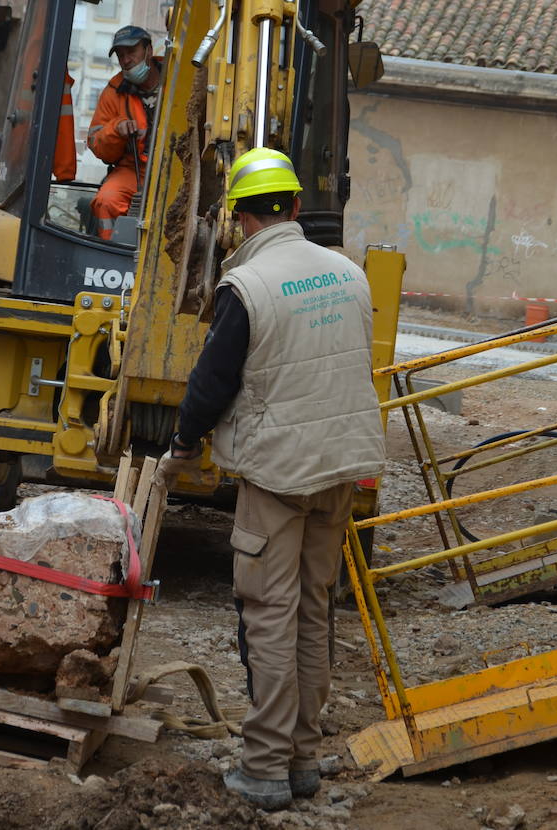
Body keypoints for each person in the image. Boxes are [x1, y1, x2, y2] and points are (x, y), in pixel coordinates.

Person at [160, 147, 385, 812]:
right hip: (341, 466)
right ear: (292, 206)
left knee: (268, 613)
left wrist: (180, 445)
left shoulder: (248, 287)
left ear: (238, 219)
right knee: (314, 609)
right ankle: (303, 759)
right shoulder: (348, 274)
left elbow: (210, 385)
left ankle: (262, 769)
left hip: (279, 473)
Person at [87, 26, 162, 241]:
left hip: (175, 167)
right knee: (106, 200)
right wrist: (116, 130)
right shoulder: (113, 91)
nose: (126, 59)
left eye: (131, 52)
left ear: (148, 50)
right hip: (133, 170)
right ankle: (112, 252)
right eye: (120, 55)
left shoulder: (180, 77)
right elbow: (97, 144)